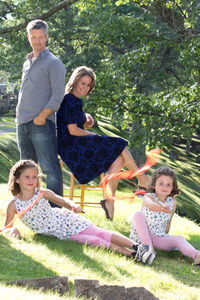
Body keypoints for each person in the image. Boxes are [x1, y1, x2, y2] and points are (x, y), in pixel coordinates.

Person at [4, 159, 152, 263]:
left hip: (66, 220)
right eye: (27, 177)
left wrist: (73, 206)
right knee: (94, 241)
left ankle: (138, 247)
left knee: (100, 233)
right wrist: (13, 232)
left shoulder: (42, 193)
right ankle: (132, 254)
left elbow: (62, 201)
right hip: (61, 233)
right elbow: (6, 228)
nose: (31, 180)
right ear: (16, 180)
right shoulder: (14, 204)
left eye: (34, 177)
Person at [56, 66, 150, 220]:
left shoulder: (75, 101)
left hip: (77, 143)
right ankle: (142, 179)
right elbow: (72, 130)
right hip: (70, 147)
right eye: (82, 83)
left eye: (88, 85)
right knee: (119, 143)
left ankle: (109, 201)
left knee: (119, 158)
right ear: (74, 81)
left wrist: (86, 119)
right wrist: (92, 134)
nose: (85, 88)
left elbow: (76, 123)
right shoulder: (68, 99)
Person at [16, 19, 66, 206]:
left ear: (47, 37)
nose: (37, 41)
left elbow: (58, 95)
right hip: (22, 124)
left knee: (50, 168)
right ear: (28, 37)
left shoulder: (54, 63)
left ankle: (55, 211)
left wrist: (42, 117)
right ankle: (27, 208)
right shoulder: (27, 61)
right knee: (25, 171)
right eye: (33, 37)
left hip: (41, 124)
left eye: (41, 37)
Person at [130, 166, 200, 265]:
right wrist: (161, 208)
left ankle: (197, 255)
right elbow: (151, 205)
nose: (165, 187)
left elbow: (168, 225)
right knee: (137, 214)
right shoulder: (149, 196)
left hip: (159, 238)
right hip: (142, 236)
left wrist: (166, 238)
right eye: (161, 183)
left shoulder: (172, 202)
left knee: (179, 238)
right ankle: (148, 248)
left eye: (168, 185)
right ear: (154, 185)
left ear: (172, 188)